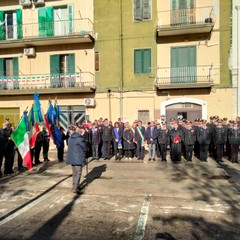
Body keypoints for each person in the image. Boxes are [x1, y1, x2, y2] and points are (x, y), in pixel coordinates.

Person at [66, 125, 87, 193]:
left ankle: (76, 185)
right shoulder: (79, 138)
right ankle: (75, 187)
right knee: (78, 173)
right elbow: (85, 147)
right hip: (78, 158)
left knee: (74, 173)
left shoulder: (69, 139)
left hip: (72, 158)